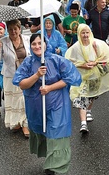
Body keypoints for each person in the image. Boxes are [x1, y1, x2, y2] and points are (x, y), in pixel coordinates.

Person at [12, 33, 82, 175]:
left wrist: (49, 87)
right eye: (34, 44)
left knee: (57, 131)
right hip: (37, 106)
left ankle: (57, 167)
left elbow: (70, 78)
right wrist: (37, 75)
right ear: (30, 46)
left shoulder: (57, 60)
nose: (37, 46)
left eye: (40, 43)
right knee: (45, 132)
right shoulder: (28, 62)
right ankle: (51, 162)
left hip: (57, 104)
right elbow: (22, 84)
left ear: (46, 44)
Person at [65, 24, 109, 134]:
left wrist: (95, 62)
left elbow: (107, 56)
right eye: (83, 33)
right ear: (79, 34)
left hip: (95, 77)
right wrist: (82, 65)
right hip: (81, 78)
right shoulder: (75, 47)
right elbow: (69, 61)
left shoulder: (97, 44)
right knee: (82, 97)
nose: (85, 35)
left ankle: (89, 110)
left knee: (92, 95)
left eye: (87, 32)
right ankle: (83, 124)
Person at [0, 19, 31, 137]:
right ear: (7, 30)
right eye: (10, 29)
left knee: (24, 100)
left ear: (20, 29)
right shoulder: (2, 41)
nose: (13, 31)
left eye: (15, 28)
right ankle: (16, 122)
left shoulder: (27, 39)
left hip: (26, 75)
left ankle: (25, 124)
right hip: (10, 76)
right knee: (14, 101)